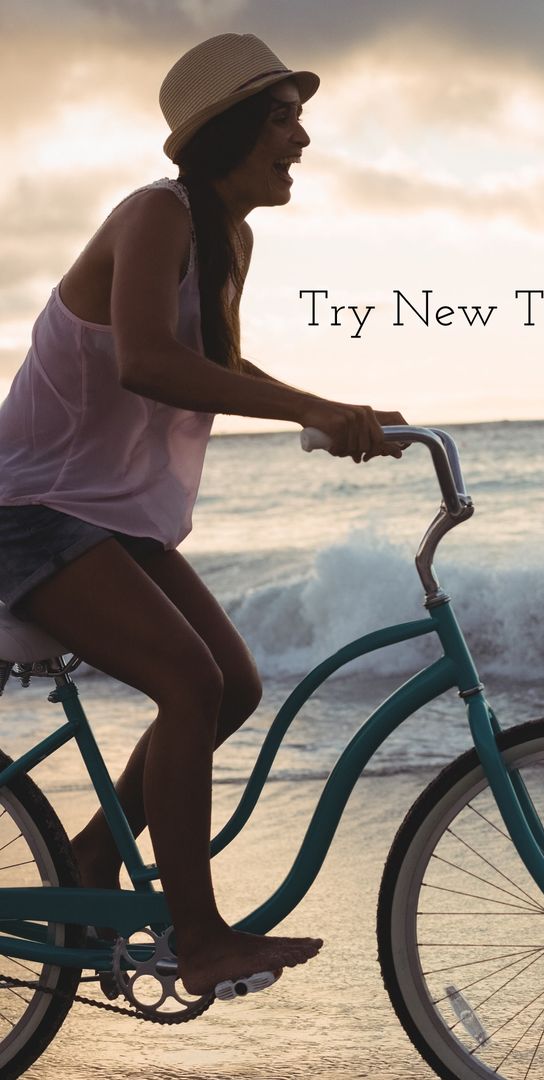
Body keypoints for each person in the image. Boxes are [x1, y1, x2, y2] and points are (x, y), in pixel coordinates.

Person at [0, 33, 405, 996]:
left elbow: (215, 366)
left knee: (232, 684)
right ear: (226, 129)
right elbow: (146, 360)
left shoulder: (231, 238)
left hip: (103, 515)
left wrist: (336, 405)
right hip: (29, 507)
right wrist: (312, 408)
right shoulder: (156, 213)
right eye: (282, 117)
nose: (301, 139)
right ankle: (198, 936)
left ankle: (92, 861)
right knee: (187, 683)